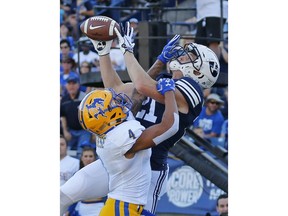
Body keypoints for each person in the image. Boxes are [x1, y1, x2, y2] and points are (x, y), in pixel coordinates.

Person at [60, 22, 220, 215]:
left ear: (198, 71)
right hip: (119, 157)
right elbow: (116, 89)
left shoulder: (192, 89)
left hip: (147, 169)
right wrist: (104, 53)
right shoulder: (164, 81)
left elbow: (143, 86)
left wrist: (127, 51)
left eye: (192, 56)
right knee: (61, 197)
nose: (184, 55)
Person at [77, 84, 178, 216]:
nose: (117, 102)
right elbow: (171, 125)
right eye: (112, 103)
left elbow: (137, 95)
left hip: (125, 207)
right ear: (104, 115)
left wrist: (158, 63)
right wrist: (169, 91)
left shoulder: (109, 130)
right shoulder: (120, 139)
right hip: (122, 210)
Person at [67, 145, 106, 216]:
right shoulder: (77, 175)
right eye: (86, 156)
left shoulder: (103, 174)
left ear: (95, 158)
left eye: (91, 156)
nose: (88, 159)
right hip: (82, 207)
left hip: (98, 207)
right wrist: (69, 210)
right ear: (81, 158)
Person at [60, 73, 92, 158]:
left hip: (84, 131)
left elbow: (91, 115)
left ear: (78, 85)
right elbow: (62, 116)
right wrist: (65, 131)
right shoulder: (64, 99)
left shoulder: (84, 97)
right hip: (70, 131)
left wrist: (93, 133)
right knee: (68, 154)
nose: (71, 86)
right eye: (69, 84)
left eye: (74, 83)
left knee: (81, 154)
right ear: (66, 86)